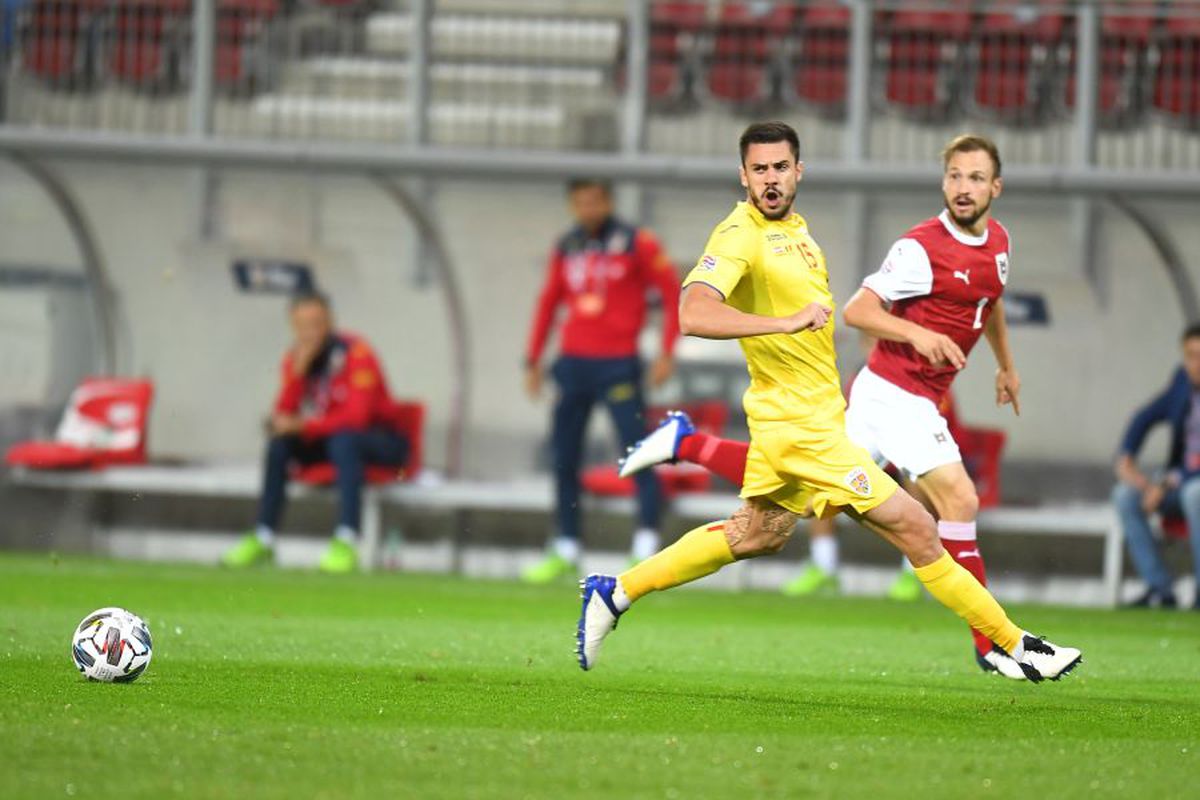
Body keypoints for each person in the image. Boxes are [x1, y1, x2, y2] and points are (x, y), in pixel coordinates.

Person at [577, 121, 1081, 684]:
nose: (771, 179)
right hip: (801, 429)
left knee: (756, 534)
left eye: (781, 168)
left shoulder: (798, 232)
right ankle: (1015, 645)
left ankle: (616, 591)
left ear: (799, 171)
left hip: (808, 417)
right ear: (743, 175)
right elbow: (692, 313)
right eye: (760, 169)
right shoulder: (738, 234)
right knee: (918, 526)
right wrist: (782, 321)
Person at [521, 178, 681, 582]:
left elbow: (670, 292)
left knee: (637, 452)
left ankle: (645, 543)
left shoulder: (636, 242)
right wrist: (533, 358)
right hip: (573, 364)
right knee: (564, 457)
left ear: (608, 202)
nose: (587, 210)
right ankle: (567, 545)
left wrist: (667, 351)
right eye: (580, 203)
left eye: (594, 201)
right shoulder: (567, 245)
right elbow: (548, 301)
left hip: (618, 364)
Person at [222, 291, 410, 574]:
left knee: (345, 441)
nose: (310, 332)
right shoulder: (296, 359)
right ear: (293, 326)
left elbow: (356, 418)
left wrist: (304, 425)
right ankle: (264, 537)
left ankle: (347, 539)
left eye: (317, 323)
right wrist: (298, 374)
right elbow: (283, 414)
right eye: (303, 325)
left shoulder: (356, 353)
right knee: (280, 445)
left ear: (330, 321)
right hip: (332, 442)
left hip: (381, 441)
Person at [1112, 324, 1200, 610]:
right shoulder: (1182, 383)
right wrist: (1127, 455)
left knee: (1195, 494)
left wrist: (1165, 484)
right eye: (1190, 356)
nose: (1195, 364)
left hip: (1188, 487)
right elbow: (1146, 416)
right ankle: (1160, 589)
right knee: (1125, 495)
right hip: (1177, 485)